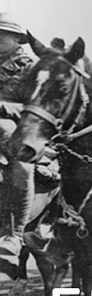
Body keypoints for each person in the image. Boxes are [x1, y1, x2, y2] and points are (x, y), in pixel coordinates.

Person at [0, 13, 36, 259]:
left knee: (22, 166)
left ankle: (16, 234)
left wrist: (2, 108)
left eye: (3, 35)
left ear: (17, 39)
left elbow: (39, 107)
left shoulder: (30, 68)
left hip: (17, 124)